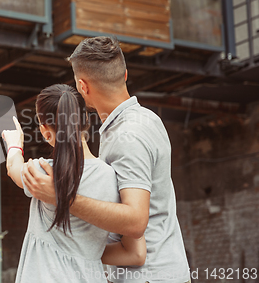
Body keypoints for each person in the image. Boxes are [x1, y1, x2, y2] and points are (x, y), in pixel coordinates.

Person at [22, 37, 190, 283]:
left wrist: (61, 197)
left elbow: (135, 221)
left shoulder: (128, 135)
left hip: (148, 277)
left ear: (82, 86)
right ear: (124, 75)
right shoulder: (146, 119)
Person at [2, 84, 146, 283]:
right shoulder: (113, 177)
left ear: (45, 132)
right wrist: (87, 252)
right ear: (86, 120)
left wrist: (14, 144)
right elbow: (136, 254)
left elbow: (13, 168)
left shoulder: (43, 172)